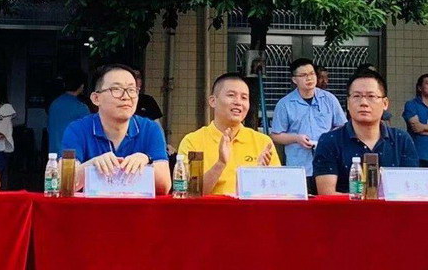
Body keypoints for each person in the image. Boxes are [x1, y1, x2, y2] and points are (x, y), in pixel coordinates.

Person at [61, 64, 171, 194]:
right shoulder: (77, 130)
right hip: (92, 207)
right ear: (96, 98)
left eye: (131, 90)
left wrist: (147, 160)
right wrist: (92, 165)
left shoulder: (150, 129)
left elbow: (164, 186)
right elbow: (63, 184)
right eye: (116, 89)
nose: (126, 97)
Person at [314, 70, 419, 194]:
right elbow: (327, 194)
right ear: (348, 103)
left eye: (371, 96)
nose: (363, 103)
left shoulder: (401, 140)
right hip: (345, 207)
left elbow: (409, 191)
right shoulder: (329, 140)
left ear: (385, 103)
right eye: (356, 96)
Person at [177, 72, 280, 196]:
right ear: (213, 101)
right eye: (231, 95)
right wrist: (220, 163)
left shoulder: (263, 142)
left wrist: (260, 175)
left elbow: (278, 192)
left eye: (244, 98)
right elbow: (191, 192)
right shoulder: (193, 141)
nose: (238, 102)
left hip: (249, 209)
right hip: (209, 208)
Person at [271, 58, 347, 194]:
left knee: (327, 203)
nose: (309, 78)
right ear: (294, 80)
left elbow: (343, 127)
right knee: (301, 204)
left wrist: (326, 139)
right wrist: (296, 138)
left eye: (312, 73)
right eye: (303, 75)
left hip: (328, 165)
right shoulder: (285, 104)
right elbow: (276, 136)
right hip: (299, 166)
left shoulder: (329, 99)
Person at [48, 69, 89, 155]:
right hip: (71, 156)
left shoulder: (54, 104)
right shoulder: (81, 108)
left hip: (54, 153)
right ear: (82, 86)